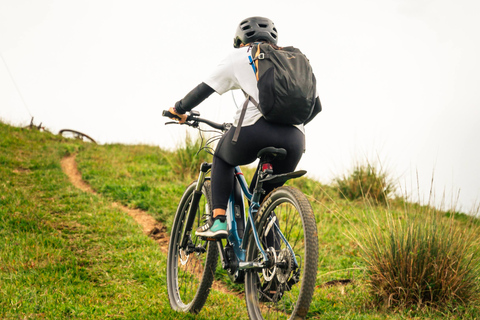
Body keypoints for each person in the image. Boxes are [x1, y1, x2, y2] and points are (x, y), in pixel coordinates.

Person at [168, 16, 321, 239]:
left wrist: (179, 109)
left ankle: (218, 220)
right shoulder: (294, 61)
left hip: (254, 132)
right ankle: (275, 266)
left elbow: (204, 89)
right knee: (264, 204)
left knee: (222, 155)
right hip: (295, 140)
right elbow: (316, 107)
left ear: (241, 41)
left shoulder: (241, 55)